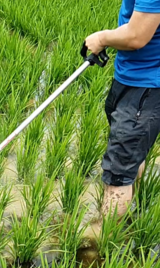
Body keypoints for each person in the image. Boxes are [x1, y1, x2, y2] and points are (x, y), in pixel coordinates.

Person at [84, 0, 160, 237]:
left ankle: (104, 241)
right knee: (130, 156)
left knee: (118, 170)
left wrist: (102, 38)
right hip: (131, 77)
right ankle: (129, 203)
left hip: (145, 86)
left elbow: (137, 35)